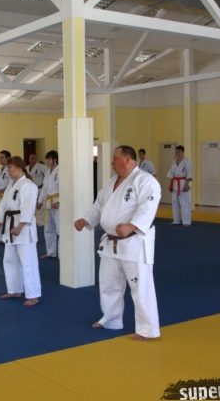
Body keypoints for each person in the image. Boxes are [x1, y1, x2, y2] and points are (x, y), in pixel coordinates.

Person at [75, 146, 161, 341]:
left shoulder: (145, 180)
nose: (112, 162)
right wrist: (86, 220)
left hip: (134, 243)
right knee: (109, 284)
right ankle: (111, 319)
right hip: (111, 243)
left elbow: (148, 207)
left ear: (128, 159)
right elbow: (99, 204)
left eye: (115, 158)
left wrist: (132, 226)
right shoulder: (112, 181)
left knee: (141, 288)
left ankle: (147, 329)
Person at [0, 156, 41, 307]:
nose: (8, 170)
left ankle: (33, 295)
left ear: (19, 168)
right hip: (10, 226)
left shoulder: (28, 185)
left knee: (28, 263)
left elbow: (28, 208)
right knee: (10, 260)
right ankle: (14, 290)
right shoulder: (11, 185)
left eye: (10, 168)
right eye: (8, 168)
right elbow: (3, 205)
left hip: (23, 229)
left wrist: (20, 226)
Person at [37, 150, 60, 259]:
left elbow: (64, 187)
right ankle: (50, 252)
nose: (47, 161)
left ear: (55, 159)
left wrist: (59, 201)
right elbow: (44, 189)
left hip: (56, 203)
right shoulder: (47, 172)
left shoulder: (61, 170)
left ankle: (62, 255)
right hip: (48, 202)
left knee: (60, 229)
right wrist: (40, 202)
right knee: (48, 229)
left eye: (49, 159)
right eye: (47, 159)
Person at [167, 145, 193, 226]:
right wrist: (170, 185)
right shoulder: (174, 162)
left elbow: (189, 174)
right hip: (175, 183)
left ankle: (186, 221)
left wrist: (186, 184)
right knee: (175, 203)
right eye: (176, 152)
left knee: (184, 203)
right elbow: (172, 175)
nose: (178, 153)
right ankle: (176, 220)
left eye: (179, 152)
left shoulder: (187, 162)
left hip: (183, 183)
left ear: (183, 152)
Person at [27, 153, 48, 226]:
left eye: (33, 158)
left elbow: (48, 175)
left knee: (40, 206)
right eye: (30, 158)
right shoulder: (26, 168)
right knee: (31, 205)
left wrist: (44, 184)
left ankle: (40, 222)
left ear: (37, 159)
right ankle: (31, 220)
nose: (31, 160)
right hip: (30, 189)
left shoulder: (41, 167)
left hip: (39, 188)